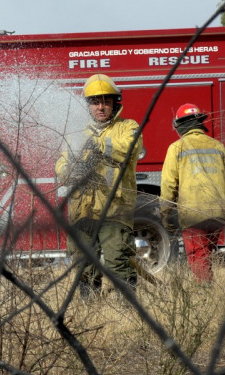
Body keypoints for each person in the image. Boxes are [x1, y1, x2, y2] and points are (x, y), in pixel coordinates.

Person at [55, 73, 143, 296]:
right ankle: (89, 312)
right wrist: (73, 170)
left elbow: (129, 147)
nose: (101, 107)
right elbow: (61, 167)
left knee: (118, 261)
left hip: (115, 209)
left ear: (115, 103)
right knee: (84, 265)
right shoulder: (75, 130)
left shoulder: (128, 126)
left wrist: (98, 144)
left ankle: (127, 313)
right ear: (88, 105)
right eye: (95, 102)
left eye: (106, 101)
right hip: (82, 211)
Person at [160, 103, 225, 282]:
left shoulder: (177, 148)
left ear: (180, 125)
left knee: (198, 259)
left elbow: (168, 185)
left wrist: (165, 214)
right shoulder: (218, 146)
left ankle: (205, 294)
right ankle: (207, 290)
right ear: (199, 123)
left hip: (193, 214)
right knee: (206, 255)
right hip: (217, 213)